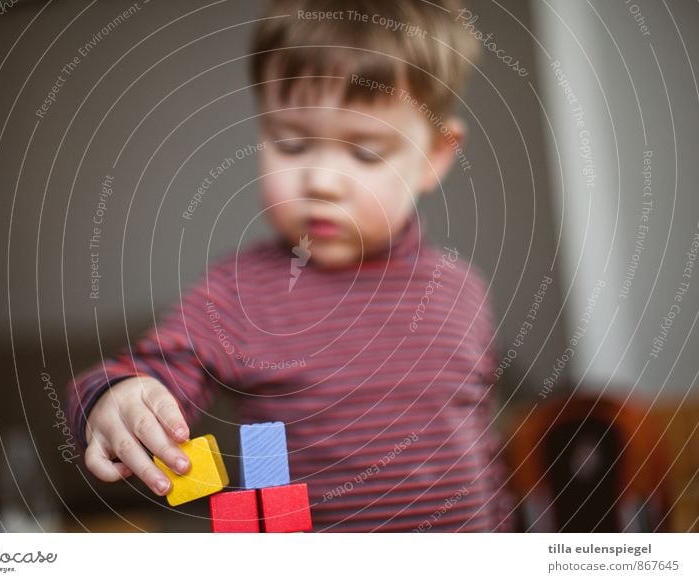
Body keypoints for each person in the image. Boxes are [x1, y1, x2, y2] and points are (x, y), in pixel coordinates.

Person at [67, 0, 513, 532]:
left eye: (366, 153)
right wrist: (120, 398)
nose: (321, 181)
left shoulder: (462, 291)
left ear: (434, 156)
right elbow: (146, 370)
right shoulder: (242, 294)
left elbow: (482, 448)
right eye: (292, 143)